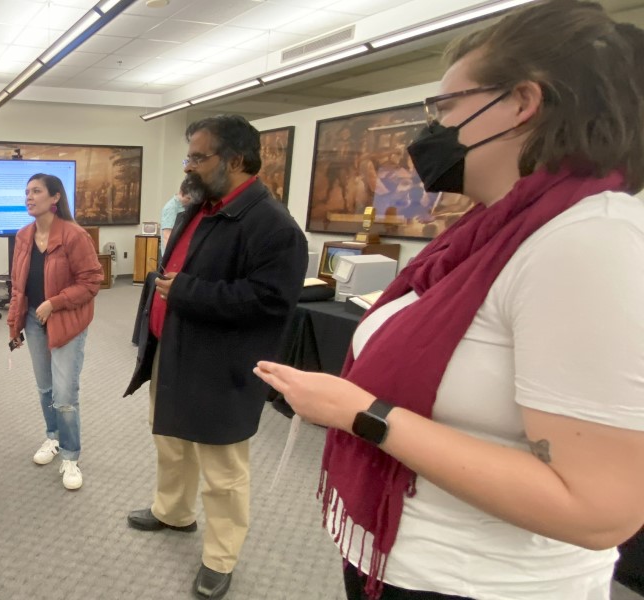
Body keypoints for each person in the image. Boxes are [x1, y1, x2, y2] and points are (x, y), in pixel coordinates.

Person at [254, 2, 644, 598]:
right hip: (404, 558)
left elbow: (598, 511)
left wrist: (361, 412)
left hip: (480, 582)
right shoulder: (488, 232)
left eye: (445, 107)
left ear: (521, 103)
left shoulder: (590, 238)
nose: (430, 130)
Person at [123, 115, 308, 600]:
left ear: (236, 160)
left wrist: (188, 291)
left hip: (221, 364)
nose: (189, 166)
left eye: (198, 157)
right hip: (173, 349)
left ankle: (220, 558)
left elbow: (271, 301)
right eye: (189, 156)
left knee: (223, 469)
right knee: (170, 442)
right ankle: (172, 512)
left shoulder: (273, 226)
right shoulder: (200, 207)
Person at [7, 174, 102, 491]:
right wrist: (15, 325)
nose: (29, 197)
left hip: (66, 320)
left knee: (64, 395)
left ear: (55, 198)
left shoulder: (75, 236)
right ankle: (53, 439)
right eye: (26, 192)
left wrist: (55, 303)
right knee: (45, 388)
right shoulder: (23, 236)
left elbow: (91, 282)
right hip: (34, 320)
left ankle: (71, 455)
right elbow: (18, 287)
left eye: (36, 191)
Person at [159, 179, 195, 251]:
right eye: (188, 198)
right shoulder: (171, 208)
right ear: (181, 193)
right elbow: (167, 236)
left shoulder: (186, 206)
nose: (190, 201)